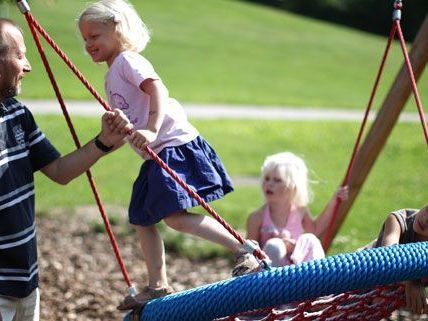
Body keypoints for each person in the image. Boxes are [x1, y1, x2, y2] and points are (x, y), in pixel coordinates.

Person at [77, 0, 260, 310]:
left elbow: (157, 90)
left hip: (173, 145)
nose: (88, 44)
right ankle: (158, 285)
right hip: (154, 154)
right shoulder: (111, 75)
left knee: (174, 218)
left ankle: (243, 248)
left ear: (117, 29)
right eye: (84, 39)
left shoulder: (127, 61)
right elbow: (129, 122)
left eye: (94, 36)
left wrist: (150, 127)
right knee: (140, 217)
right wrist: (116, 132)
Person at [0, 18, 132, 321]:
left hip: (27, 284)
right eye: (19, 55)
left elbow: (60, 170)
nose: (28, 66)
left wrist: (103, 143)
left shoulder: (18, 114)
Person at [246, 152, 348, 267]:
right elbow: (248, 255)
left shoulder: (300, 211)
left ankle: (318, 275)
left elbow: (315, 229)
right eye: (267, 178)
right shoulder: (257, 217)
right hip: (269, 273)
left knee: (310, 239)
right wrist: (271, 246)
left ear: (293, 186)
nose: (269, 184)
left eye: (277, 180)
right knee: (274, 245)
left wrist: (334, 202)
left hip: (296, 270)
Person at [372, 205, 428, 315]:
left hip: (387, 298)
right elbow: (389, 257)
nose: (426, 219)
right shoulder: (398, 220)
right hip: (361, 281)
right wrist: (412, 281)